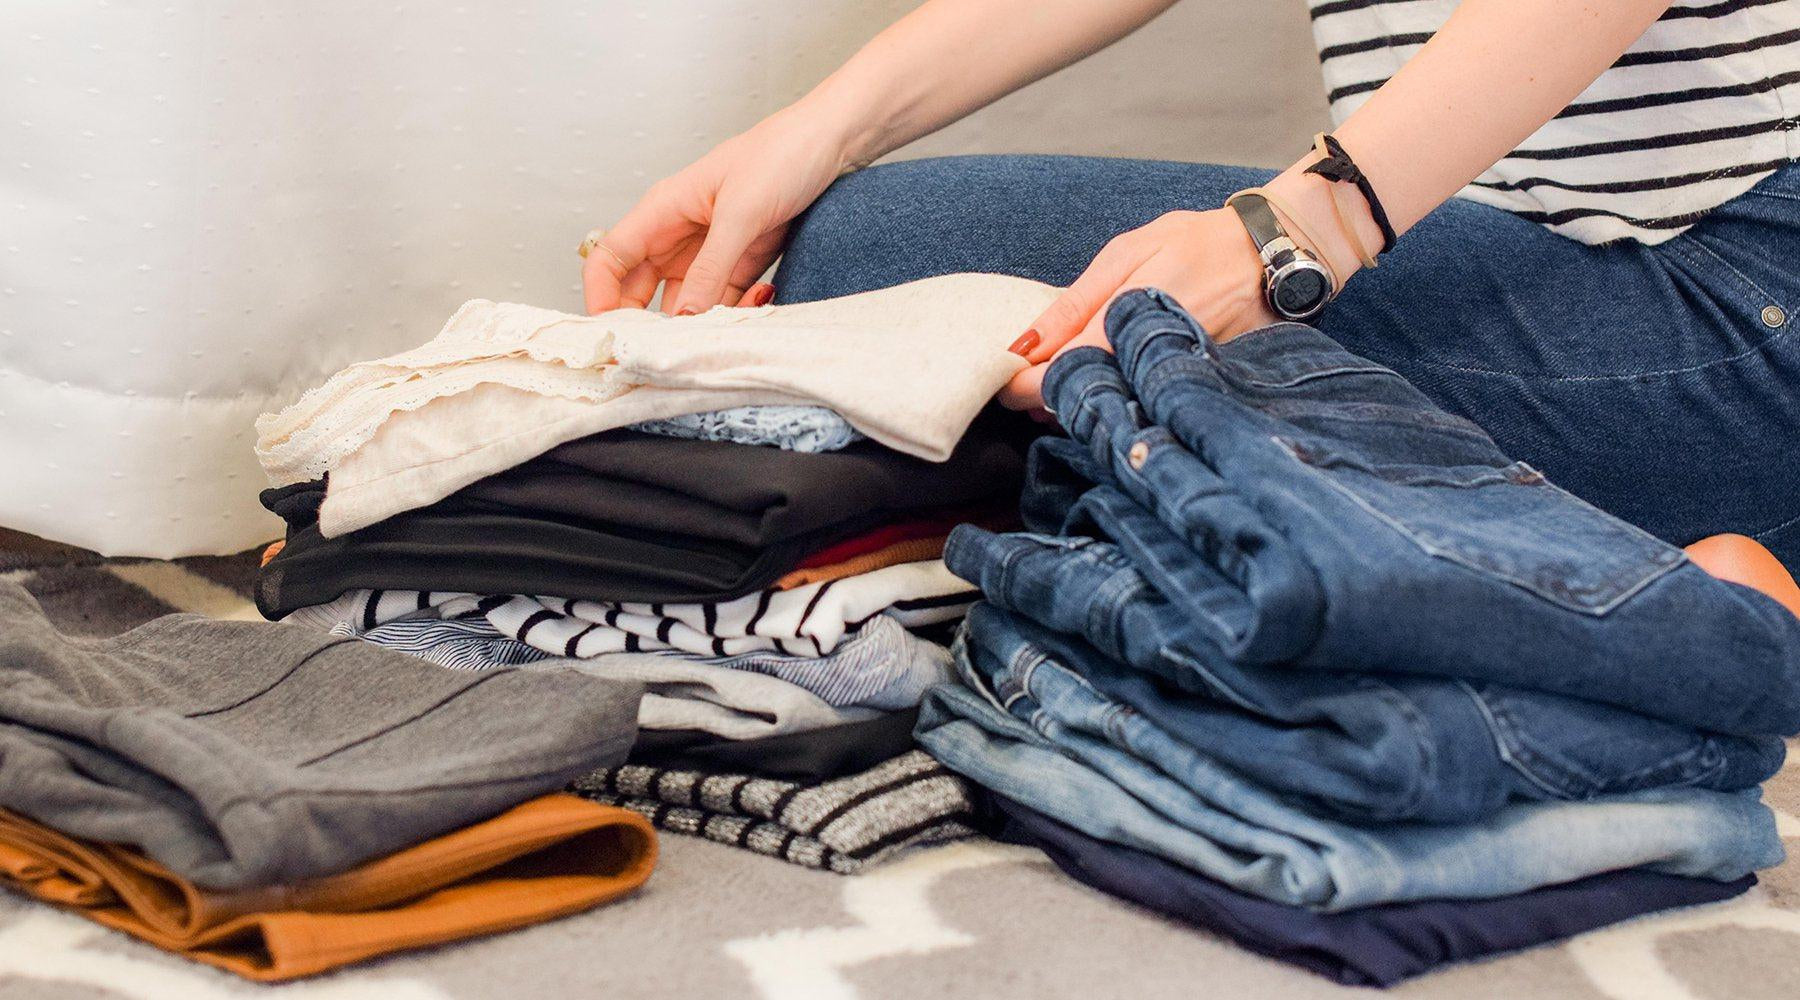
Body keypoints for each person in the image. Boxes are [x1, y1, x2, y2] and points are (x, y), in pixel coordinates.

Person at [578, 0, 1800, 580]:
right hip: (1514, 252)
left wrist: (1311, 221)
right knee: (851, 255)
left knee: (887, 273)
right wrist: (821, 129)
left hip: (1724, 286)